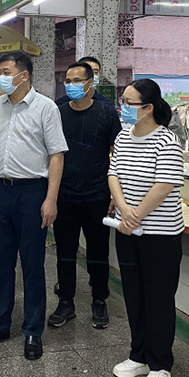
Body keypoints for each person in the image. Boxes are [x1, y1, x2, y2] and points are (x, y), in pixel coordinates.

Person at [0, 52, 68, 361]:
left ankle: (32, 330)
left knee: (32, 263)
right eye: (0, 72)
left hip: (32, 192)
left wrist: (50, 199)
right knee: (0, 262)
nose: (1, 77)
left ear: (23, 75)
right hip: (0, 191)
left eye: (6, 71)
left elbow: (56, 155)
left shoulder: (45, 107)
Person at [108, 78, 183, 377]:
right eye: (122, 101)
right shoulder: (123, 137)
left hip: (160, 235)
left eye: (129, 103)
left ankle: (160, 363)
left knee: (159, 298)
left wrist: (135, 215)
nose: (123, 108)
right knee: (133, 294)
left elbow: (164, 185)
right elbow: (113, 174)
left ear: (149, 108)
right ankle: (138, 355)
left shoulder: (167, 141)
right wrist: (124, 210)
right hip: (127, 231)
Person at [48, 62, 122, 329]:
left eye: (77, 80)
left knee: (98, 253)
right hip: (65, 195)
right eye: (68, 81)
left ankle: (99, 300)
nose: (71, 85)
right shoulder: (57, 113)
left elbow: (117, 153)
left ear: (91, 83)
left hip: (97, 195)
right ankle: (65, 302)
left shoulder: (106, 113)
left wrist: (116, 194)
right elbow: (51, 154)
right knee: (65, 252)